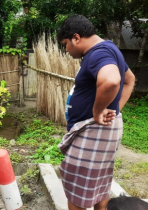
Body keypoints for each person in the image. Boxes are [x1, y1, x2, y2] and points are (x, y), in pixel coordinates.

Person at [57, 15, 135, 210]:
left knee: (78, 189)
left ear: (76, 37)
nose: (66, 50)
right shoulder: (109, 49)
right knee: (100, 181)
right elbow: (130, 79)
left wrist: (98, 110)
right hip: (99, 132)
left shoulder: (97, 53)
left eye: (65, 44)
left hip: (94, 132)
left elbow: (111, 80)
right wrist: (116, 109)